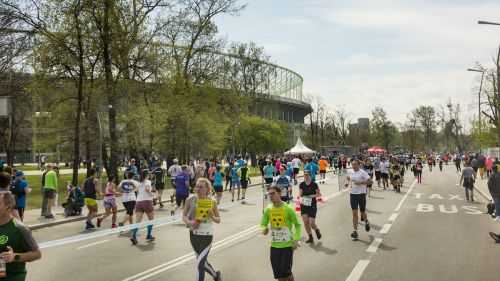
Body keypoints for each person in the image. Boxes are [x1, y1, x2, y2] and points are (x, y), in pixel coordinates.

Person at [182, 178, 222, 281]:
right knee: (202, 262)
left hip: (207, 236)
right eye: (197, 186)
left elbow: (218, 220)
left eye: (201, 187)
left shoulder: (212, 201)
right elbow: (184, 216)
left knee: (200, 264)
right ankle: (215, 275)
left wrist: (212, 216)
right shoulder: (190, 200)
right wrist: (191, 223)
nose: (198, 189)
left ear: (207, 189)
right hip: (194, 235)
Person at [261, 184, 301, 281]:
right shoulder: (268, 210)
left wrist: (296, 240)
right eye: (269, 194)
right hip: (274, 246)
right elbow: (263, 223)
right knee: (279, 274)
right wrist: (264, 229)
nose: (271, 196)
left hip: (287, 245)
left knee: (286, 273)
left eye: (273, 193)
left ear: (279, 193)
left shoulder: (288, 209)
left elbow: (297, 225)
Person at [0, 192, 41, 281]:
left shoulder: (20, 229)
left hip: (12, 278)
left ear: (8, 208)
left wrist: (14, 257)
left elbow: (37, 254)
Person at [345, 160, 371, 241]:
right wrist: (347, 183)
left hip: (361, 195)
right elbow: (348, 179)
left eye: (355, 165)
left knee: (362, 213)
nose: (353, 166)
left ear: (359, 165)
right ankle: (355, 232)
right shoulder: (350, 171)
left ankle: (366, 221)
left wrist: (361, 182)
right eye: (352, 165)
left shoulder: (362, 172)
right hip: (353, 195)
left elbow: (370, 181)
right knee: (354, 214)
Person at [131, 170, 156, 245]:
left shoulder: (139, 183)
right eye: (149, 174)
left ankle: (134, 236)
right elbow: (147, 189)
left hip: (138, 202)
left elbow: (136, 191)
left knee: (138, 221)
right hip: (147, 201)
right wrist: (153, 195)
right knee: (151, 220)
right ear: (147, 175)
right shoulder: (147, 181)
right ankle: (148, 235)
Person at [299, 171, 321, 244]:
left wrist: (311, 196)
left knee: (312, 223)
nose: (306, 177)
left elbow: (319, 194)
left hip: (312, 205)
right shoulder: (301, 184)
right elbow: (300, 194)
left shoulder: (314, 184)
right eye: (304, 175)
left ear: (310, 176)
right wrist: (300, 196)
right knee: (305, 222)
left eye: (307, 175)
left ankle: (316, 229)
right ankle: (310, 237)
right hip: (304, 204)